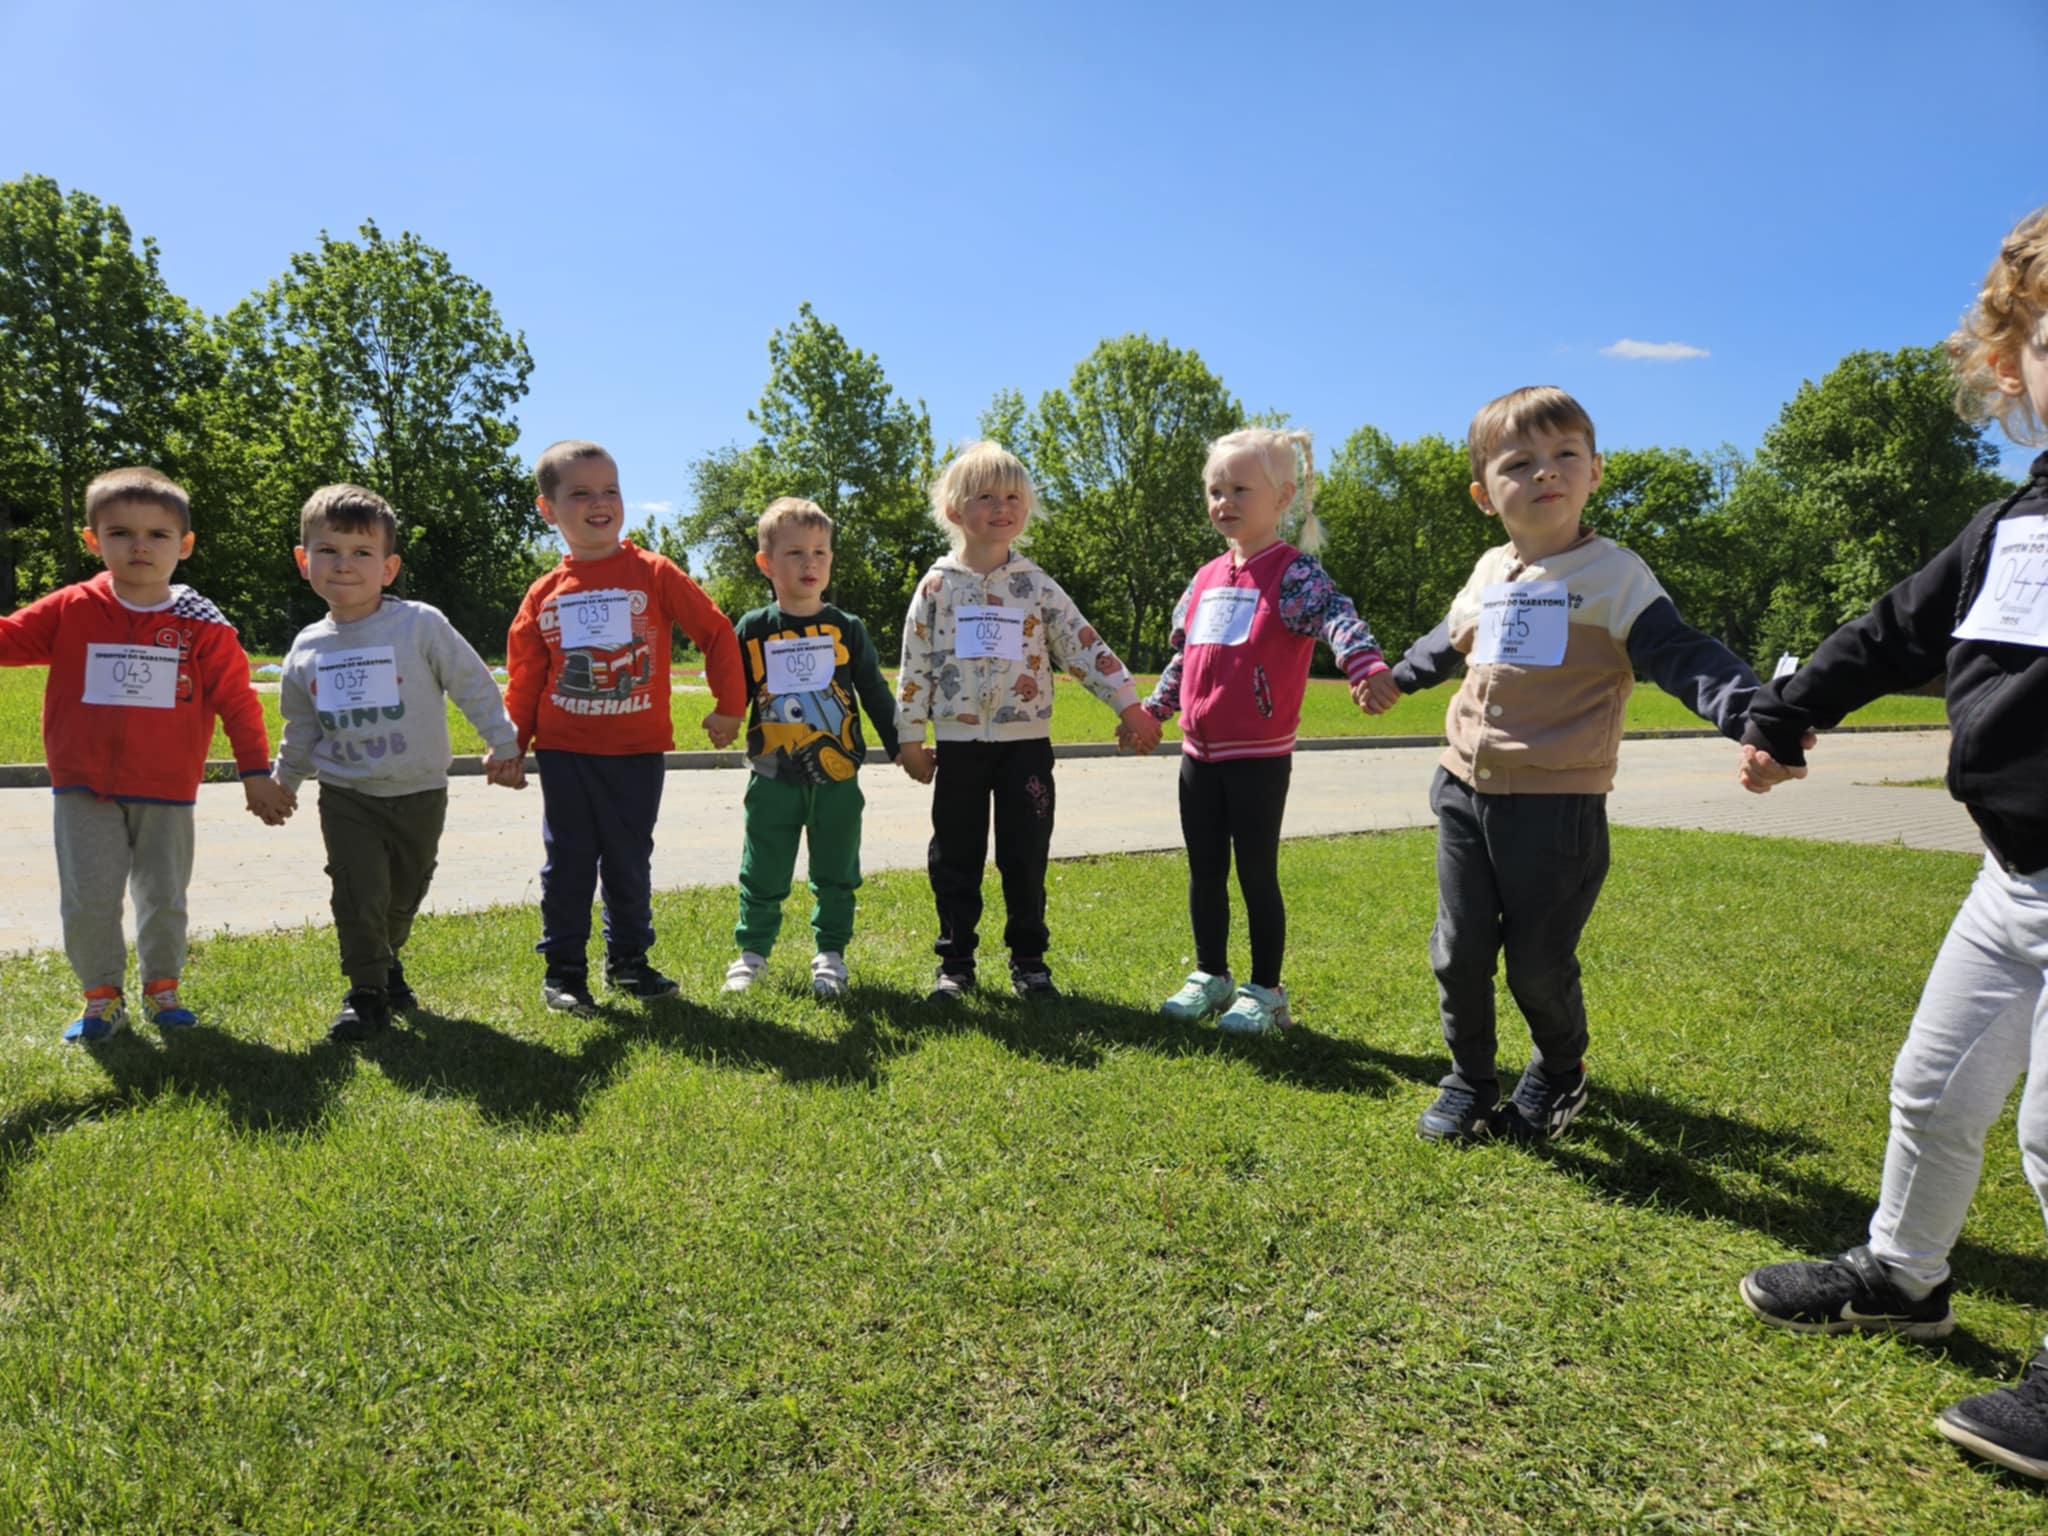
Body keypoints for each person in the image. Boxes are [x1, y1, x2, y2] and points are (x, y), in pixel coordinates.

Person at [1736, 206, 2048, 1482]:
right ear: (2010, 364)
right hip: (2010, 875)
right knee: (1930, 1086)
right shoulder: (2004, 527)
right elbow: (1888, 630)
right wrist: (1787, 711)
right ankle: (1901, 1278)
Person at [1374, 387, 1759, 1142]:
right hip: (1463, 790)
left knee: (1537, 964)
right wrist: (1397, 677)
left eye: (1564, 455)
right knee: (1458, 951)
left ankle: (1559, 1069)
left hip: (1556, 808)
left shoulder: (1617, 578)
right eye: (1520, 463)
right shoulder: (1490, 569)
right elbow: (1446, 637)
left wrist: (1752, 715)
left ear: (1595, 472)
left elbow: (1684, 655)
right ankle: (1469, 1079)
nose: (1545, 472)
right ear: (1485, 495)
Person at [0, 466, 289, 1040]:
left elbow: (238, 703)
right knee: (89, 899)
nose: (139, 546)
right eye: (120, 533)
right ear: (93, 541)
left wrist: (257, 774)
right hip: (82, 787)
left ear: (184, 545)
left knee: (163, 896)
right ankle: (101, 997)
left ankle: (163, 989)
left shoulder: (203, 625)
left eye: (158, 534)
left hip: (167, 788)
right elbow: (8, 640)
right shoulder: (72, 607)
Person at [895, 441, 1161, 1002]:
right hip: (960, 747)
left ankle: (1029, 960)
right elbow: (915, 663)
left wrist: (1127, 703)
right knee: (955, 855)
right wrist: (910, 738)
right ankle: (956, 962)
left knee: (1025, 854)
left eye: (1013, 497)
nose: (1001, 507)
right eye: (986, 497)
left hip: (1026, 748)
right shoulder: (937, 587)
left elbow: (1082, 645)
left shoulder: (1036, 586)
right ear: (954, 510)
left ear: (1027, 508)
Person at [1143, 427, 1387, 1034]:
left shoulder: (1294, 574)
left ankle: (1267, 991)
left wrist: (1363, 664)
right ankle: (1212, 975)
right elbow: (1184, 658)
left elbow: (1338, 616)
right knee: (1205, 869)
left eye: (1240, 489)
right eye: (1215, 490)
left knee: (1255, 872)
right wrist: (1153, 712)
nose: (1224, 501)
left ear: (1282, 498)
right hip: (1199, 755)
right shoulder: (1205, 578)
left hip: (1258, 755)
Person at [272, 484, 525, 1041]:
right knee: (357, 891)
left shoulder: (419, 625)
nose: (344, 564)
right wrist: (283, 783)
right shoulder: (307, 648)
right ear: (303, 561)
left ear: (388, 568)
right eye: (328, 550)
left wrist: (503, 743)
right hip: (347, 794)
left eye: (362, 552)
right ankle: (365, 992)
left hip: (420, 792)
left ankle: (386, 961)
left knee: (404, 894)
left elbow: (472, 683)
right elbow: (301, 727)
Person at [504, 440, 746, 1015]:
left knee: (628, 861)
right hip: (565, 753)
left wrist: (730, 706)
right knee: (568, 862)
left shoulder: (654, 573)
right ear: (548, 509)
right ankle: (564, 974)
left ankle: (629, 963)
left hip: (637, 753)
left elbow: (716, 632)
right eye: (580, 493)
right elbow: (525, 677)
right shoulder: (543, 594)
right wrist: (510, 745)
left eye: (610, 490)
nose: (599, 502)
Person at [721, 497, 899, 999]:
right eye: (795, 552)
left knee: (837, 871)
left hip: (838, 779)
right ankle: (751, 955)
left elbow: (874, 692)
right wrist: (725, 717)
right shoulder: (754, 627)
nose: (810, 563)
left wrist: (902, 746)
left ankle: (831, 956)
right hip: (771, 777)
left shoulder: (848, 628)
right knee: (762, 869)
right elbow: (734, 687)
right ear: (766, 563)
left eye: (820, 552)